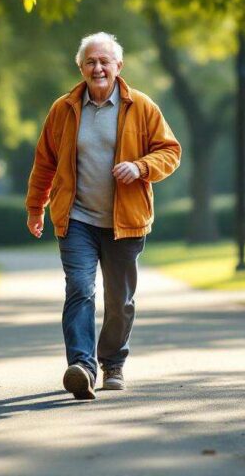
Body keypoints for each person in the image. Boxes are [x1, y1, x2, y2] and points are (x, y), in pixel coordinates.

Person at [25, 32, 182, 400]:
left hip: (125, 221)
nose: (98, 68)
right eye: (91, 62)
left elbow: (170, 151)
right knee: (80, 289)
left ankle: (112, 363)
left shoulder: (141, 107)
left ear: (118, 67)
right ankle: (82, 366)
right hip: (76, 218)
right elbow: (44, 163)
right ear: (81, 67)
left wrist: (141, 167)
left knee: (120, 300)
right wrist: (36, 207)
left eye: (104, 62)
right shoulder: (63, 109)